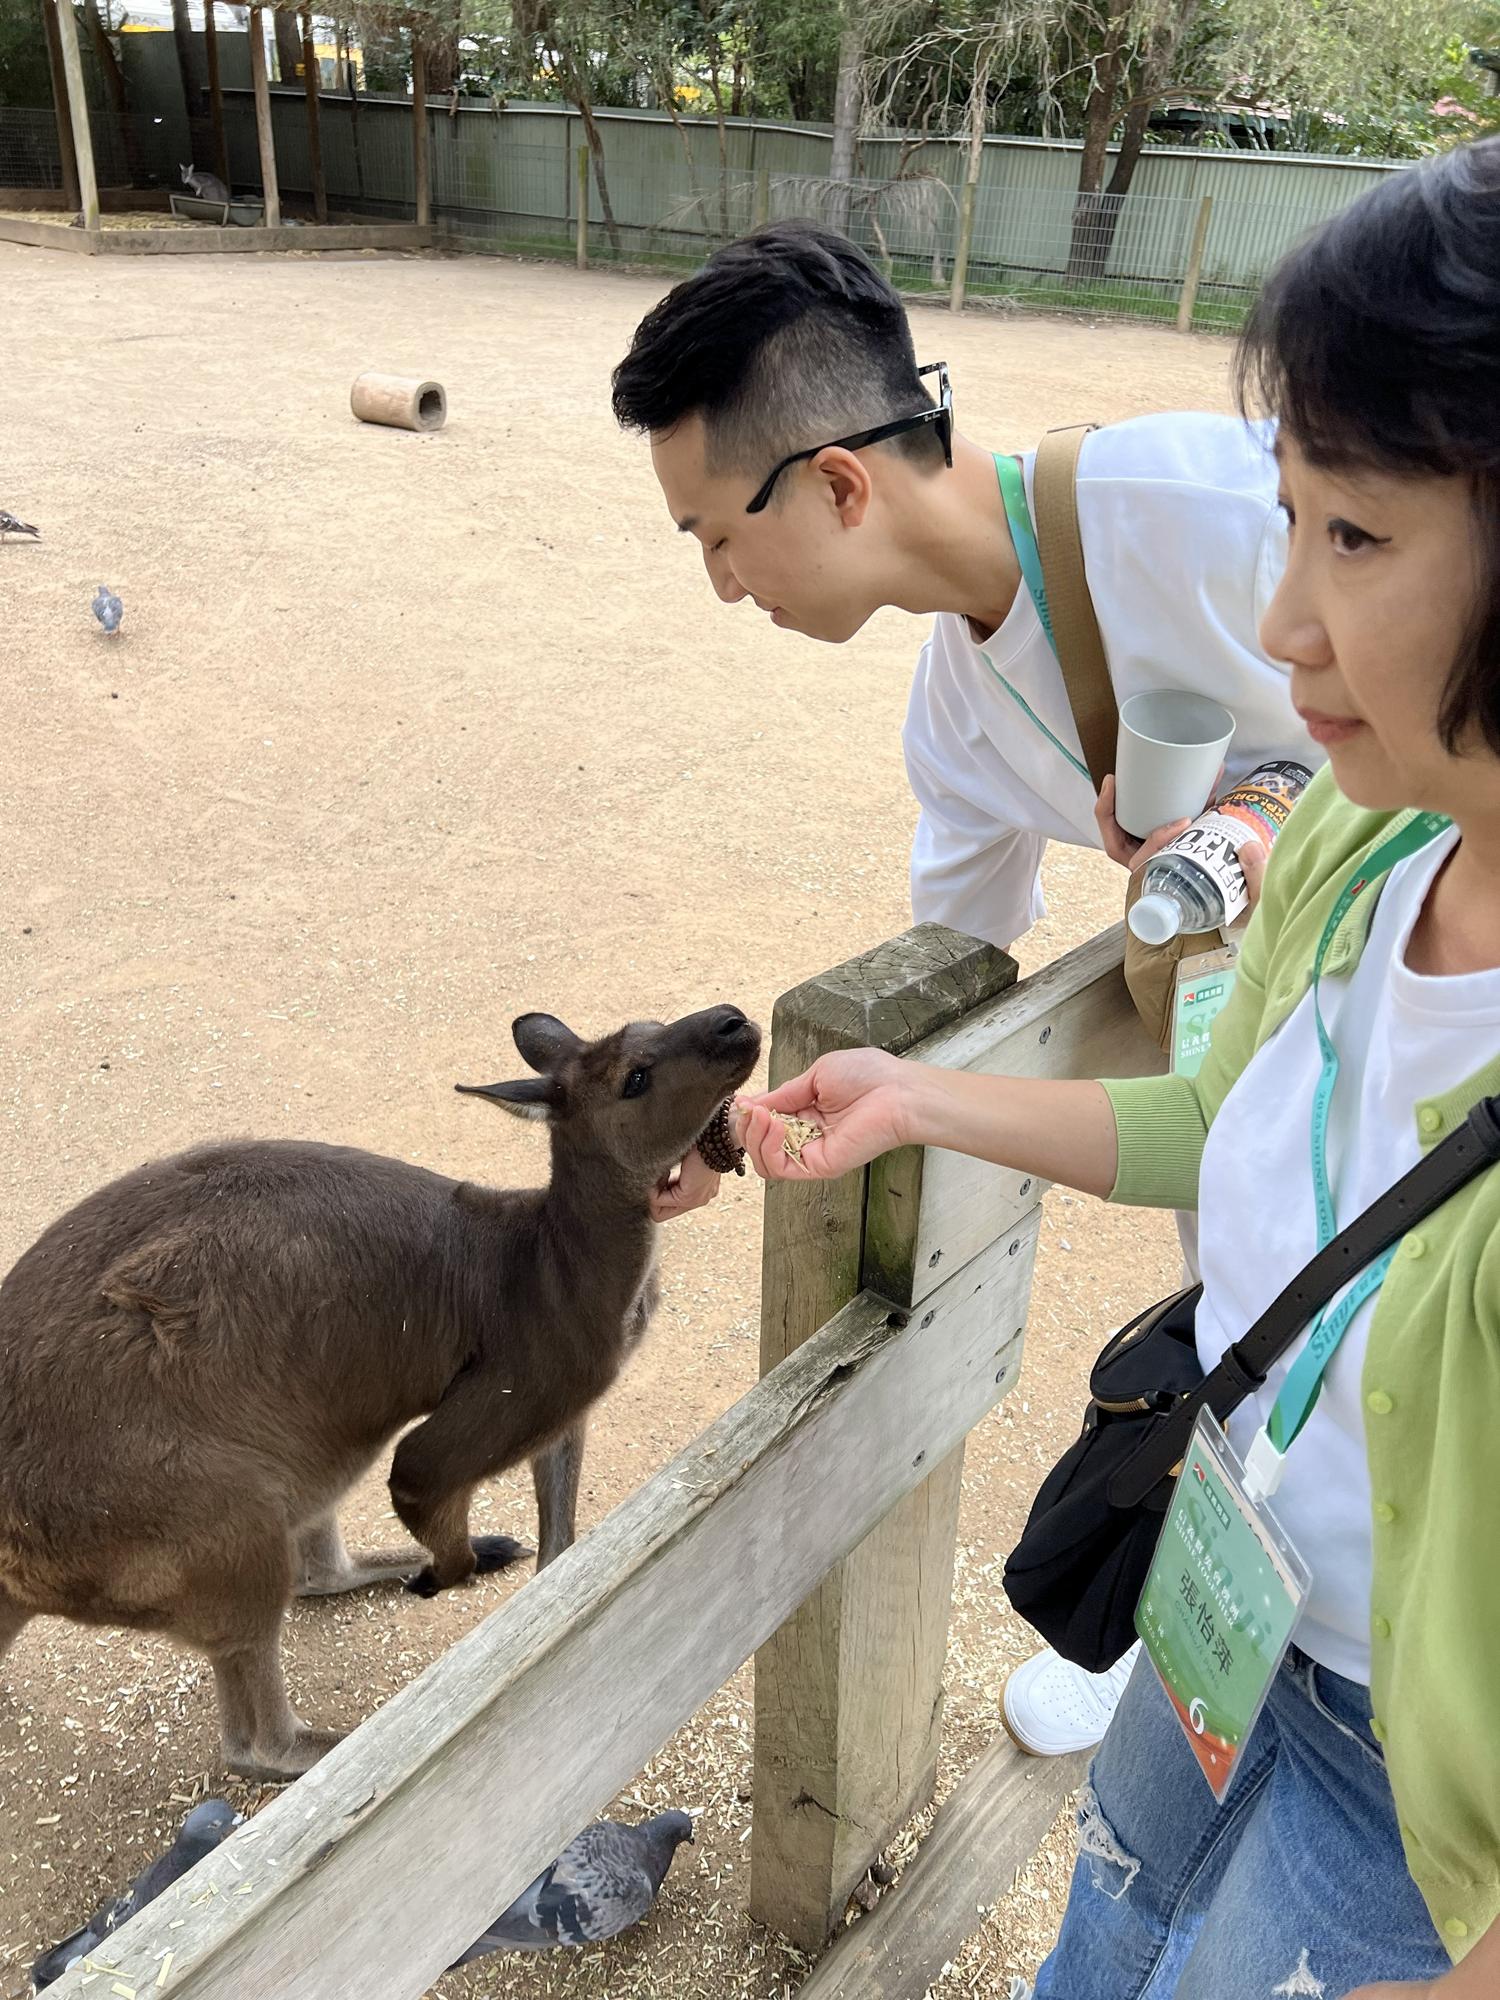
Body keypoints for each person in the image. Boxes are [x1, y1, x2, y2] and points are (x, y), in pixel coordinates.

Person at [728, 139, 1500, 2000]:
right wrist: (921, 1101)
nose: (1282, 628)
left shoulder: (1190, 564)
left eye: (1355, 537)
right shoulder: (1364, 843)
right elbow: (1227, 1124)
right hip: (1229, 1611)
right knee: (1110, 1933)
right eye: (1291, 522)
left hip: (1413, 1780)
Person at [614, 222, 1315, 1754]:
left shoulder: (1210, 508)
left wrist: (1285, 823)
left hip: (1442, 1051)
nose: (721, 586)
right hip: (1245, 1097)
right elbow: (948, 989)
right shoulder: (957, 727)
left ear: (838, 485)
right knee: (1255, 1326)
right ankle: (1191, 1636)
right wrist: (719, 1129)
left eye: (715, 536)